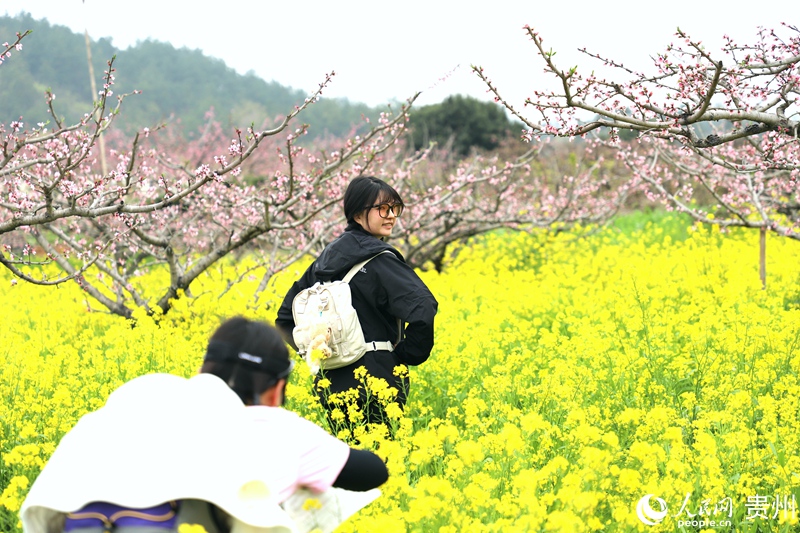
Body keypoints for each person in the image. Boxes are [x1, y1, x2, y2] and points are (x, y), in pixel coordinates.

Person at [20, 317, 388, 533]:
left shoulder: (148, 397)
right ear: (277, 390)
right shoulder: (281, 429)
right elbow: (371, 473)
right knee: (315, 493)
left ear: (202, 369)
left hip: (79, 514)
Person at [275, 176, 438, 429]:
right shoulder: (380, 261)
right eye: (383, 208)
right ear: (359, 212)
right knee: (380, 460)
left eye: (396, 208)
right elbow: (423, 308)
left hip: (331, 382)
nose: (392, 215)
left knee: (346, 461)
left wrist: (317, 353)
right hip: (378, 380)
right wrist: (407, 354)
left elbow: (285, 318)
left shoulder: (324, 261)